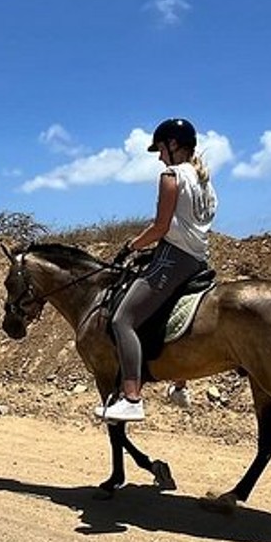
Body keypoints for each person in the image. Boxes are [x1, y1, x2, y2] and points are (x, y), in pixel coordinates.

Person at [96, 117, 217, 423]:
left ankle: (132, 398)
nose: (160, 157)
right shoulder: (204, 181)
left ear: (173, 145)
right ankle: (179, 385)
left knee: (123, 319)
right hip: (199, 258)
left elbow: (161, 227)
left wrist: (133, 245)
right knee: (164, 311)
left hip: (173, 258)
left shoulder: (171, 175)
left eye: (161, 149)